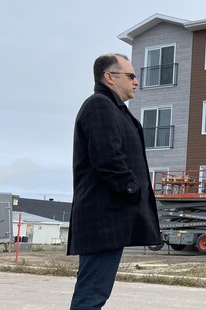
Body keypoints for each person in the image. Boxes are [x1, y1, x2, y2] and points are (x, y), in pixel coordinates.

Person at [68, 53, 161, 309]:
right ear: (109, 77)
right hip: (102, 222)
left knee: (95, 293)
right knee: (91, 294)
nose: (136, 81)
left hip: (109, 221)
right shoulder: (99, 105)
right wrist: (133, 189)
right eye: (130, 75)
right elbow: (108, 158)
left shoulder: (114, 108)